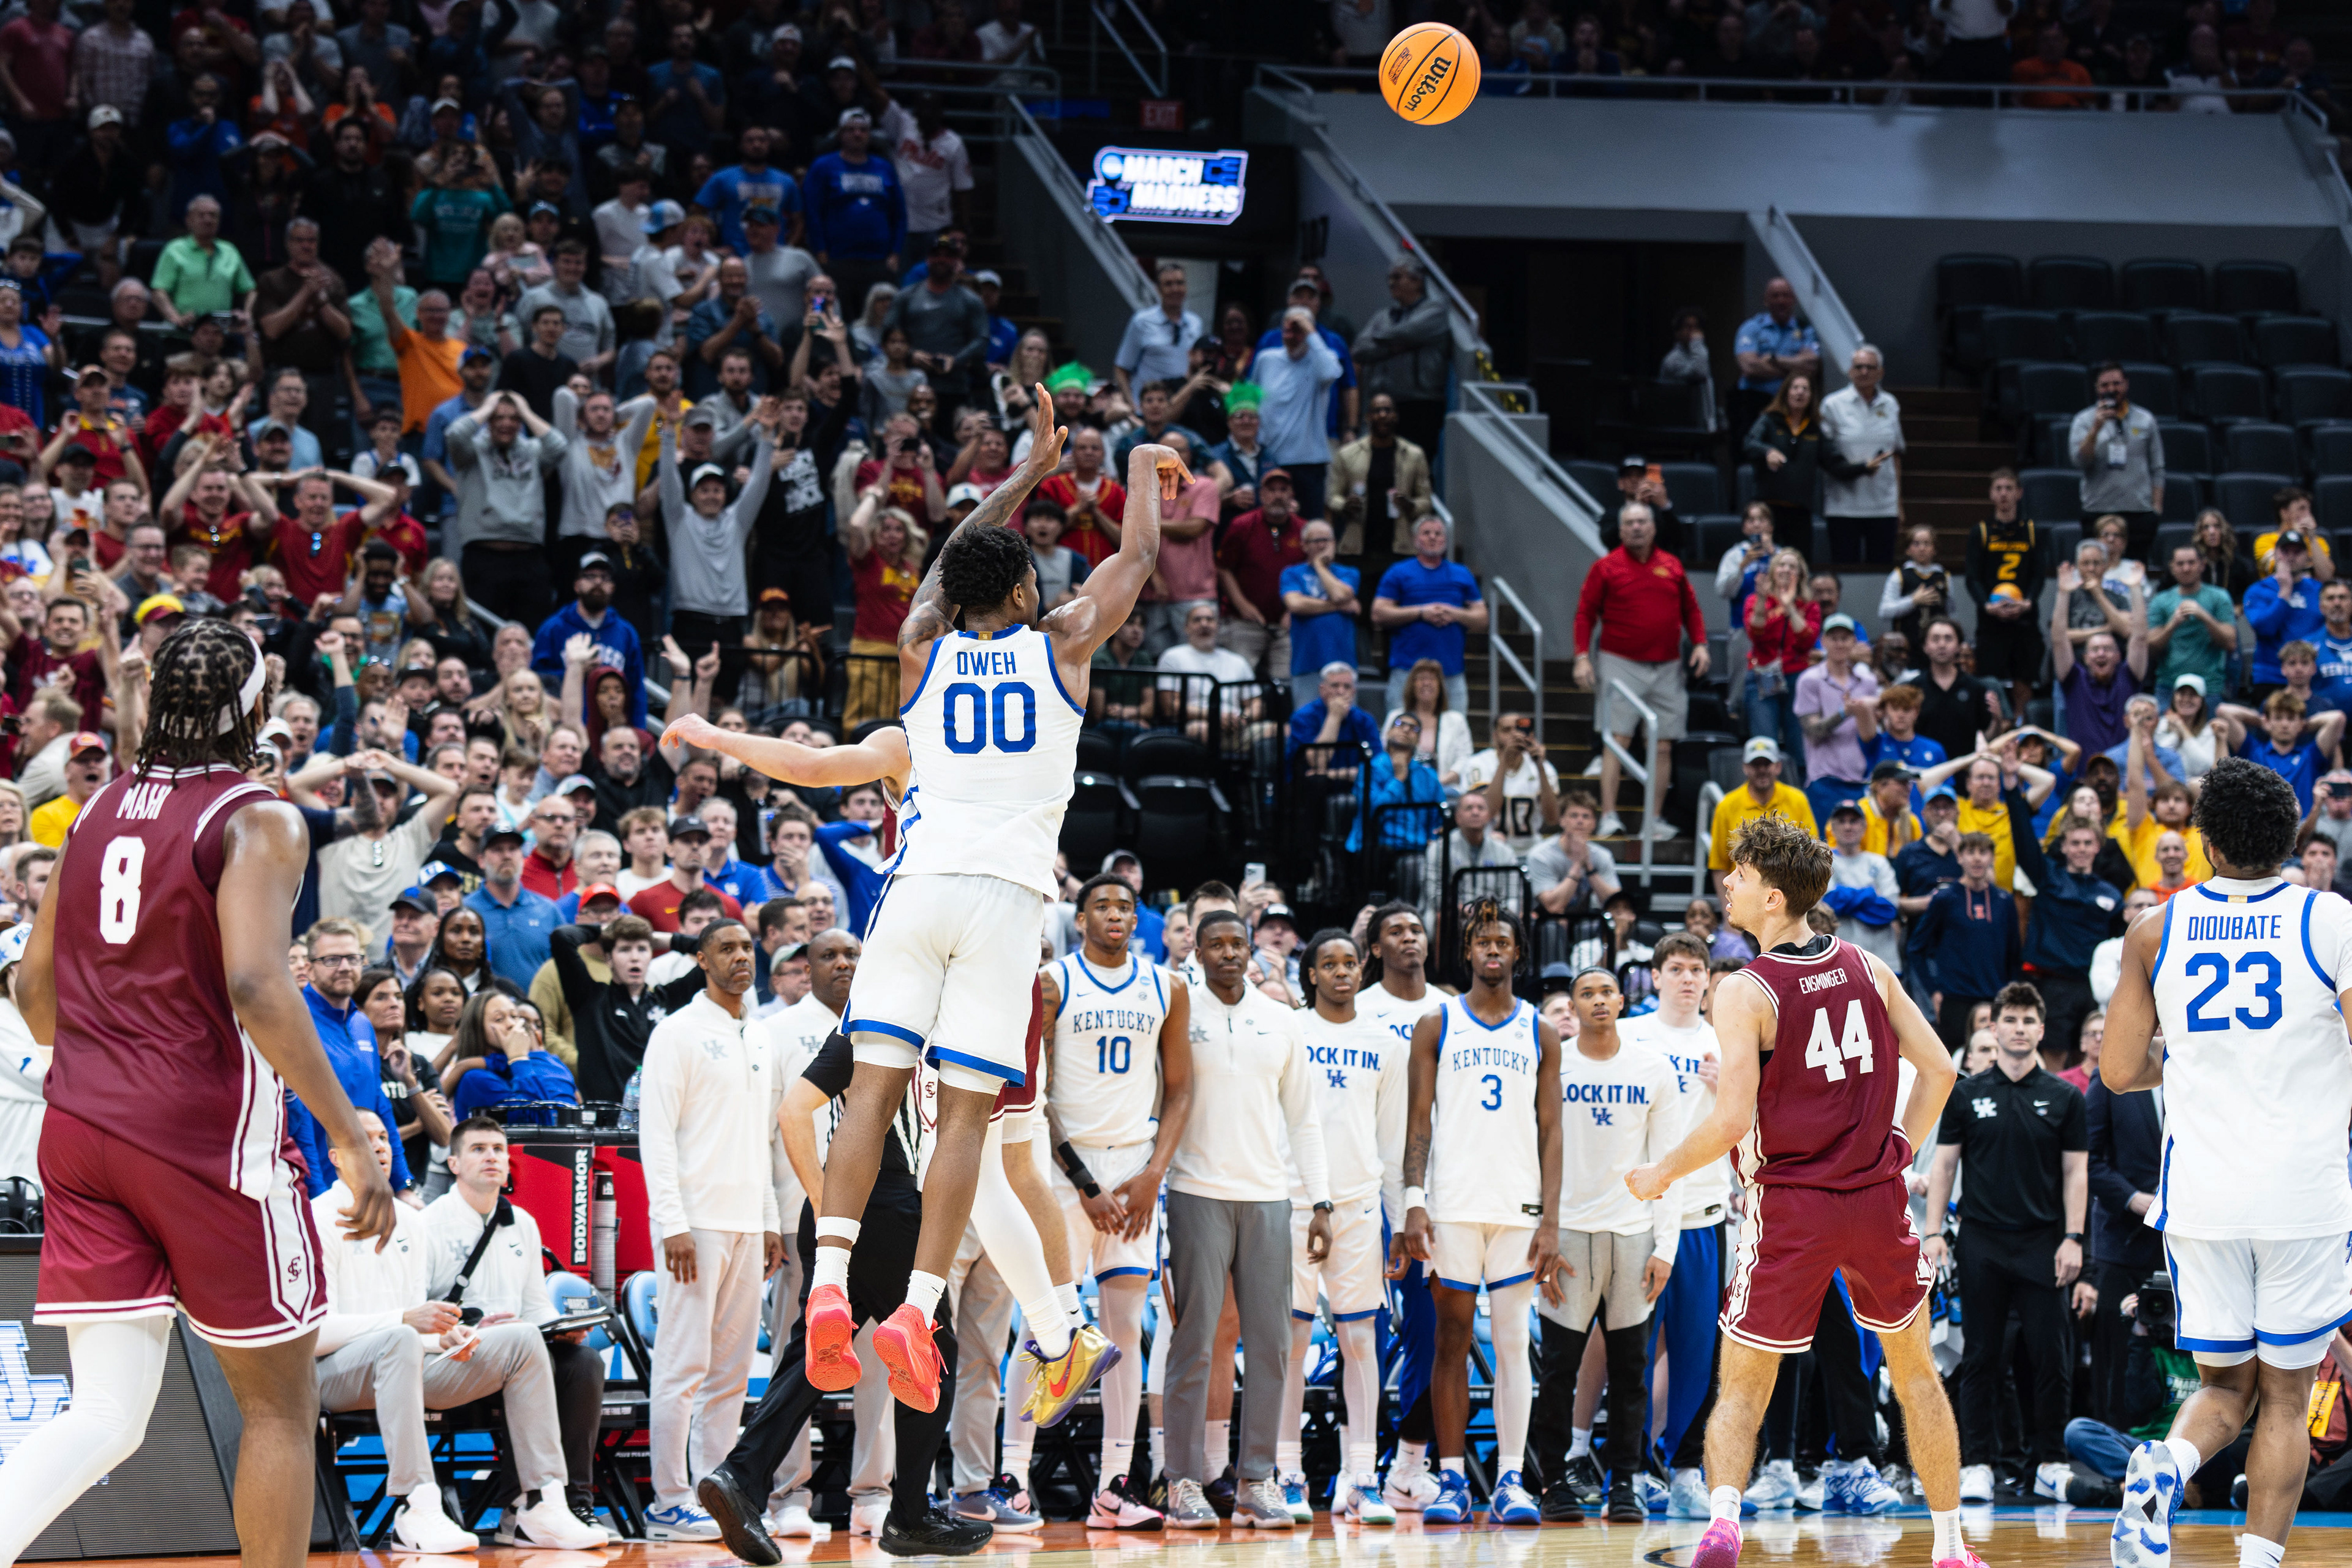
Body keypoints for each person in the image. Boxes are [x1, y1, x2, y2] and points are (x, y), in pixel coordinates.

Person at [666, 398, 1160, 1417]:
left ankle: (835, 1288)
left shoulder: (922, 651)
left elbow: (944, 567)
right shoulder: (1063, 642)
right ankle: (928, 1308)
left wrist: (1026, 471)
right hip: (1002, 907)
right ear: (1026, 585)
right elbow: (1138, 558)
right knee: (971, 1131)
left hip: (911, 893)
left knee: (874, 1096)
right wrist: (1145, 470)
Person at [0, 619, 396, 1568]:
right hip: (206, 1139)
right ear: (256, 707)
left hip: (86, 1131)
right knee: (278, 1408)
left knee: (105, 1412)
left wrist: (110, 1045)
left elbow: (33, 992)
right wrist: (346, 1134)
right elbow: (260, 986)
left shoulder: (96, 812)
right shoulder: (258, 816)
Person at [1623, 813, 1979, 1568]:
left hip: (1792, 1204)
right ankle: (1951, 1546)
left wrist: (1660, 1174)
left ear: (1775, 899)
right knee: (1916, 1376)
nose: (1728, 883)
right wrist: (1900, 1148)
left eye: (1741, 875)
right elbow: (1942, 1069)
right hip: (1878, 1199)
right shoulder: (1869, 967)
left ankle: (1723, 1525)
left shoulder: (1747, 991)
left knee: (1745, 1381)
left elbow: (1729, 1122)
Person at [2099, 756, 2352, 1568]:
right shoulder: (2331, 921)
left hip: (2202, 1192)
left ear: (2202, 841)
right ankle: (2257, 1562)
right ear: (2294, 839)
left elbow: (2117, 1070)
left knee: (2221, 1387)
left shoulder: (2155, 929)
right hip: (2302, 1194)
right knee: (2284, 1396)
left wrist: (2199, 1057)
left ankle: (2165, 1466)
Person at [310, 1110, 603, 1551]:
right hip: (334, 1376)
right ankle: (417, 1506)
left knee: (523, 1340)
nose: (380, 1147)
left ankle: (541, 1504)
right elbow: (316, 1335)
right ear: (335, 1156)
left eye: (384, 1139)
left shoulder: (408, 1221)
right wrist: (405, 1324)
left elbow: (417, 1326)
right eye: (364, 1139)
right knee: (401, 1339)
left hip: (408, 1362)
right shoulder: (317, 1218)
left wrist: (449, 1336)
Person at [1156, 908, 1330, 1528]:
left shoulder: (1280, 1019)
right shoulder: (1179, 1011)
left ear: (1251, 949)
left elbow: (1305, 1118)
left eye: (1238, 943)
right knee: (1196, 1340)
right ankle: (1182, 1480)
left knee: (1273, 1343)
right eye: (1216, 944)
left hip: (1268, 1196)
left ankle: (1257, 1479)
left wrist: (1323, 1199)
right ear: (1197, 952)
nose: (1229, 953)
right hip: (1196, 1191)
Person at [1395, 899, 1559, 1526]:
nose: (1493, 950)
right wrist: (1414, 1201)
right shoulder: (1437, 1024)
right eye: (1483, 941)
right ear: (1467, 952)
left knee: (1515, 1344)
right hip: (1453, 1205)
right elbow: (1417, 1123)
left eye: (1504, 942)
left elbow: (1552, 1133)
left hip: (1518, 1209)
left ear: (1518, 953)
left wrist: (1551, 1219)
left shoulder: (1539, 1030)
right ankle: (1453, 1479)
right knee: (1451, 1342)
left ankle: (1514, 1479)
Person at [1036, 874, 1192, 1529]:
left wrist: (1154, 1172)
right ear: (1080, 917)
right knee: (1043, 1326)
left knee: (1125, 1332)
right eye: (1102, 904)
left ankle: (1114, 1486)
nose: (1116, 914)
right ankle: (1014, 1473)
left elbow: (1181, 1091)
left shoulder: (1167, 986)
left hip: (1133, 1172)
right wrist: (1083, 1182)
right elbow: (1032, 1092)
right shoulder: (1052, 981)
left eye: (1126, 905)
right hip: (1064, 1171)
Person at [636, 919, 779, 1540]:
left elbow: (766, 1139)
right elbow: (656, 1133)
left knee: (730, 1372)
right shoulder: (677, 1032)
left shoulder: (762, 1036)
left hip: (749, 1221)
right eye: (726, 947)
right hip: (693, 1222)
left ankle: (717, 1492)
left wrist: (772, 1220)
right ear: (701, 959)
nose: (740, 956)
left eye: (747, 947)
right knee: (681, 1365)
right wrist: (671, 1220)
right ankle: (668, 1498)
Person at [1922, 979, 2090, 1506]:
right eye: (2009, 1020)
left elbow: (2077, 1175)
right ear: (1993, 1028)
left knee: (2051, 1360)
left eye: (2027, 1021)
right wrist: (1931, 1234)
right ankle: (1976, 1464)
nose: (2019, 1030)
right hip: (1982, 1243)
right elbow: (1943, 1166)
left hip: (2044, 1245)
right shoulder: (1967, 1094)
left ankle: (2050, 1463)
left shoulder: (2065, 1096)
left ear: (2041, 1030)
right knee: (1981, 1358)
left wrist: (2074, 1238)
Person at [1532, 965, 1684, 1521]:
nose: (1597, 1001)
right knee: (1558, 1370)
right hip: (1567, 1233)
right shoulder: (1556, 1066)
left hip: (1633, 1235)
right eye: (1585, 994)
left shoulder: (1652, 1068)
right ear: (1572, 1006)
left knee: (1630, 1371)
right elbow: (1534, 1152)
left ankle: (1626, 1483)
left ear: (1622, 1000)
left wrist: (1665, 1246)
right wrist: (1539, 1232)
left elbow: (1669, 1162)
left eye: (1605, 992)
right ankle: (1553, 1484)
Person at [421, 1117, 610, 1536]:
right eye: (478, 1149)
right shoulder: (428, 1224)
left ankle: (575, 1503)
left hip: (522, 1350)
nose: (491, 1156)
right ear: (453, 1164)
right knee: (521, 1354)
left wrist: (561, 1328)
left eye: (498, 1149)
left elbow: (536, 1306)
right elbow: (416, 1309)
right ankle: (524, 1502)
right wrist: (476, 1324)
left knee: (583, 1363)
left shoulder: (522, 1222)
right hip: (459, 1354)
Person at [1270, 929, 1399, 1525]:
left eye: (1351, 962)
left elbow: (1393, 1141)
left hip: (1360, 1205)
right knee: (1291, 1343)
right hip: (1293, 1204)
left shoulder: (1384, 1039)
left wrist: (1400, 1217)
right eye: (1330, 963)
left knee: (1361, 1340)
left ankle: (1362, 1476)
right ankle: (1289, 1473)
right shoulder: (1291, 1031)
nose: (1343, 971)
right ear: (1312, 974)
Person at [1618, 933, 1734, 1515]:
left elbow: (1753, 1126)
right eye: (1678, 969)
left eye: (1698, 970)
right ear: (1656, 976)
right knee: (1635, 1351)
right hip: (1641, 1219)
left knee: (1699, 1353)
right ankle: (1632, 1466)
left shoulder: (1726, 1042)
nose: (1689, 979)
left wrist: (1731, 1091)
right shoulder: (1632, 1036)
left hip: (1705, 1217)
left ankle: (1687, 1466)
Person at [1572, 501, 1705, 840]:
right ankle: (1609, 817)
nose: (1636, 527)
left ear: (1653, 527)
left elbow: (1691, 609)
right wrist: (1581, 657)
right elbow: (1585, 614)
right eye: (1629, 522)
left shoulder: (1672, 565)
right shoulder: (1605, 567)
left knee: (1662, 746)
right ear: (1620, 530)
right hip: (1620, 663)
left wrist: (1701, 644)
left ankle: (1653, 821)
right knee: (1617, 741)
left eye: (1642, 522)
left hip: (1668, 665)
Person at [1373, 513, 1484, 717]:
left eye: (1438, 533)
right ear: (1416, 540)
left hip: (1451, 672)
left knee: (1455, 733)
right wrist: (1422, 613)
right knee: (1400, 732)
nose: (1433, 537)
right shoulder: (1398, 572)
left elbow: (1482, 618)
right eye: (1426, 533)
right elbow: (1378, 613)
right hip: (1407, 671)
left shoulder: (1462, 573)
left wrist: (1455, 613)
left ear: (1445, 540)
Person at [1817, 345, 1904, 566]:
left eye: (1870, 367)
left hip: (1883, 506)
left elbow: (1895, 455)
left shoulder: (1891, 404)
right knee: (1844, 573)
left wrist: (1898, 502)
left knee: (1880, 572)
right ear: (1849, 371)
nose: (1864, 372)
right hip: (1843, 506)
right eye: (1859, 367)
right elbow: (1826, 456)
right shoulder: (1833, 405)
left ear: (1880, 372)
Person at [2071, 363, 2166, 563]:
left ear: (2127, 385)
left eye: (2117, 383)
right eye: (2105, 385)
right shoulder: (2084, 420)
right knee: (2096, 570)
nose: (2111, 389)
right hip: (2097, 510)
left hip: (2139, 512)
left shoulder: (2146, 420)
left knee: (2135, 572)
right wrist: (2096, 429)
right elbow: (2079, 461)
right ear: (2097, 388)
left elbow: (2157, 468)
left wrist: (2156, 509)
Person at [1707, 738, 1815, 895]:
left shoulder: (1798, 800)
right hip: (1743, 894)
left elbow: (1811, 852)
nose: (1762, 770)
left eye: (1767, 764)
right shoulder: (1727, 805)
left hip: (1787, 893)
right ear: (1745, 768)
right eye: (1756, 765)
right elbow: (1719, 864)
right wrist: (1728, 913)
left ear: (1778, 767)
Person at [1729, 276, 1821, 438]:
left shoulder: (1805, 329)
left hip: (1792, 403)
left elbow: (1812, 366)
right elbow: (1749, 367)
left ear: (1794, 300)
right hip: (1754, 401)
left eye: (1786, 296)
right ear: (1766, 300)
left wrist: (1773, 359)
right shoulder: (1752, 328)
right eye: (1775, 296)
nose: (1781, 301)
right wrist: (1794, 369)